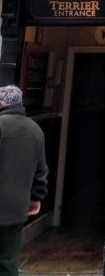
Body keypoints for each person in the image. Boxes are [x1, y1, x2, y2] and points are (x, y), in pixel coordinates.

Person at [0, 85, 48, 276]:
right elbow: (41, 170)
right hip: (16, 206)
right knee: (8, 259)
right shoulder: (35, 130)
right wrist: (36, 197)